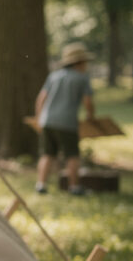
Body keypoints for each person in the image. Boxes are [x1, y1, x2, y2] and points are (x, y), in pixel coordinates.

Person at [35, 42, 96, 195]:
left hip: (47, 120)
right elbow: (88, 101)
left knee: (47, 153)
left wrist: (39, 117)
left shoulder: (54, 76)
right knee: (72, 155)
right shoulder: (82, 78)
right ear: (79, 62)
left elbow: (41, 98)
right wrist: (90, 116)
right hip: (67, 122)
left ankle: (41, 184)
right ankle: (74, 187)